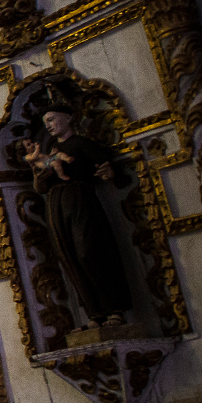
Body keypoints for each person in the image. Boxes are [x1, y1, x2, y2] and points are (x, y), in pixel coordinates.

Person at [21, 95, 134, 330]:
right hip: (56, 204)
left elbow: (106, 167)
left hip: (80, 199)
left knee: (89, 251)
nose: (49, 125)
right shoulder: (51, 152)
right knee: (70, 257)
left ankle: (114, 309)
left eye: (52, 119)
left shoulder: (81, 144)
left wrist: (108, 171)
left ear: (69, 118)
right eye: (46, 122)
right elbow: (40, 187)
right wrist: (35, 167)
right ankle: (94, 313)